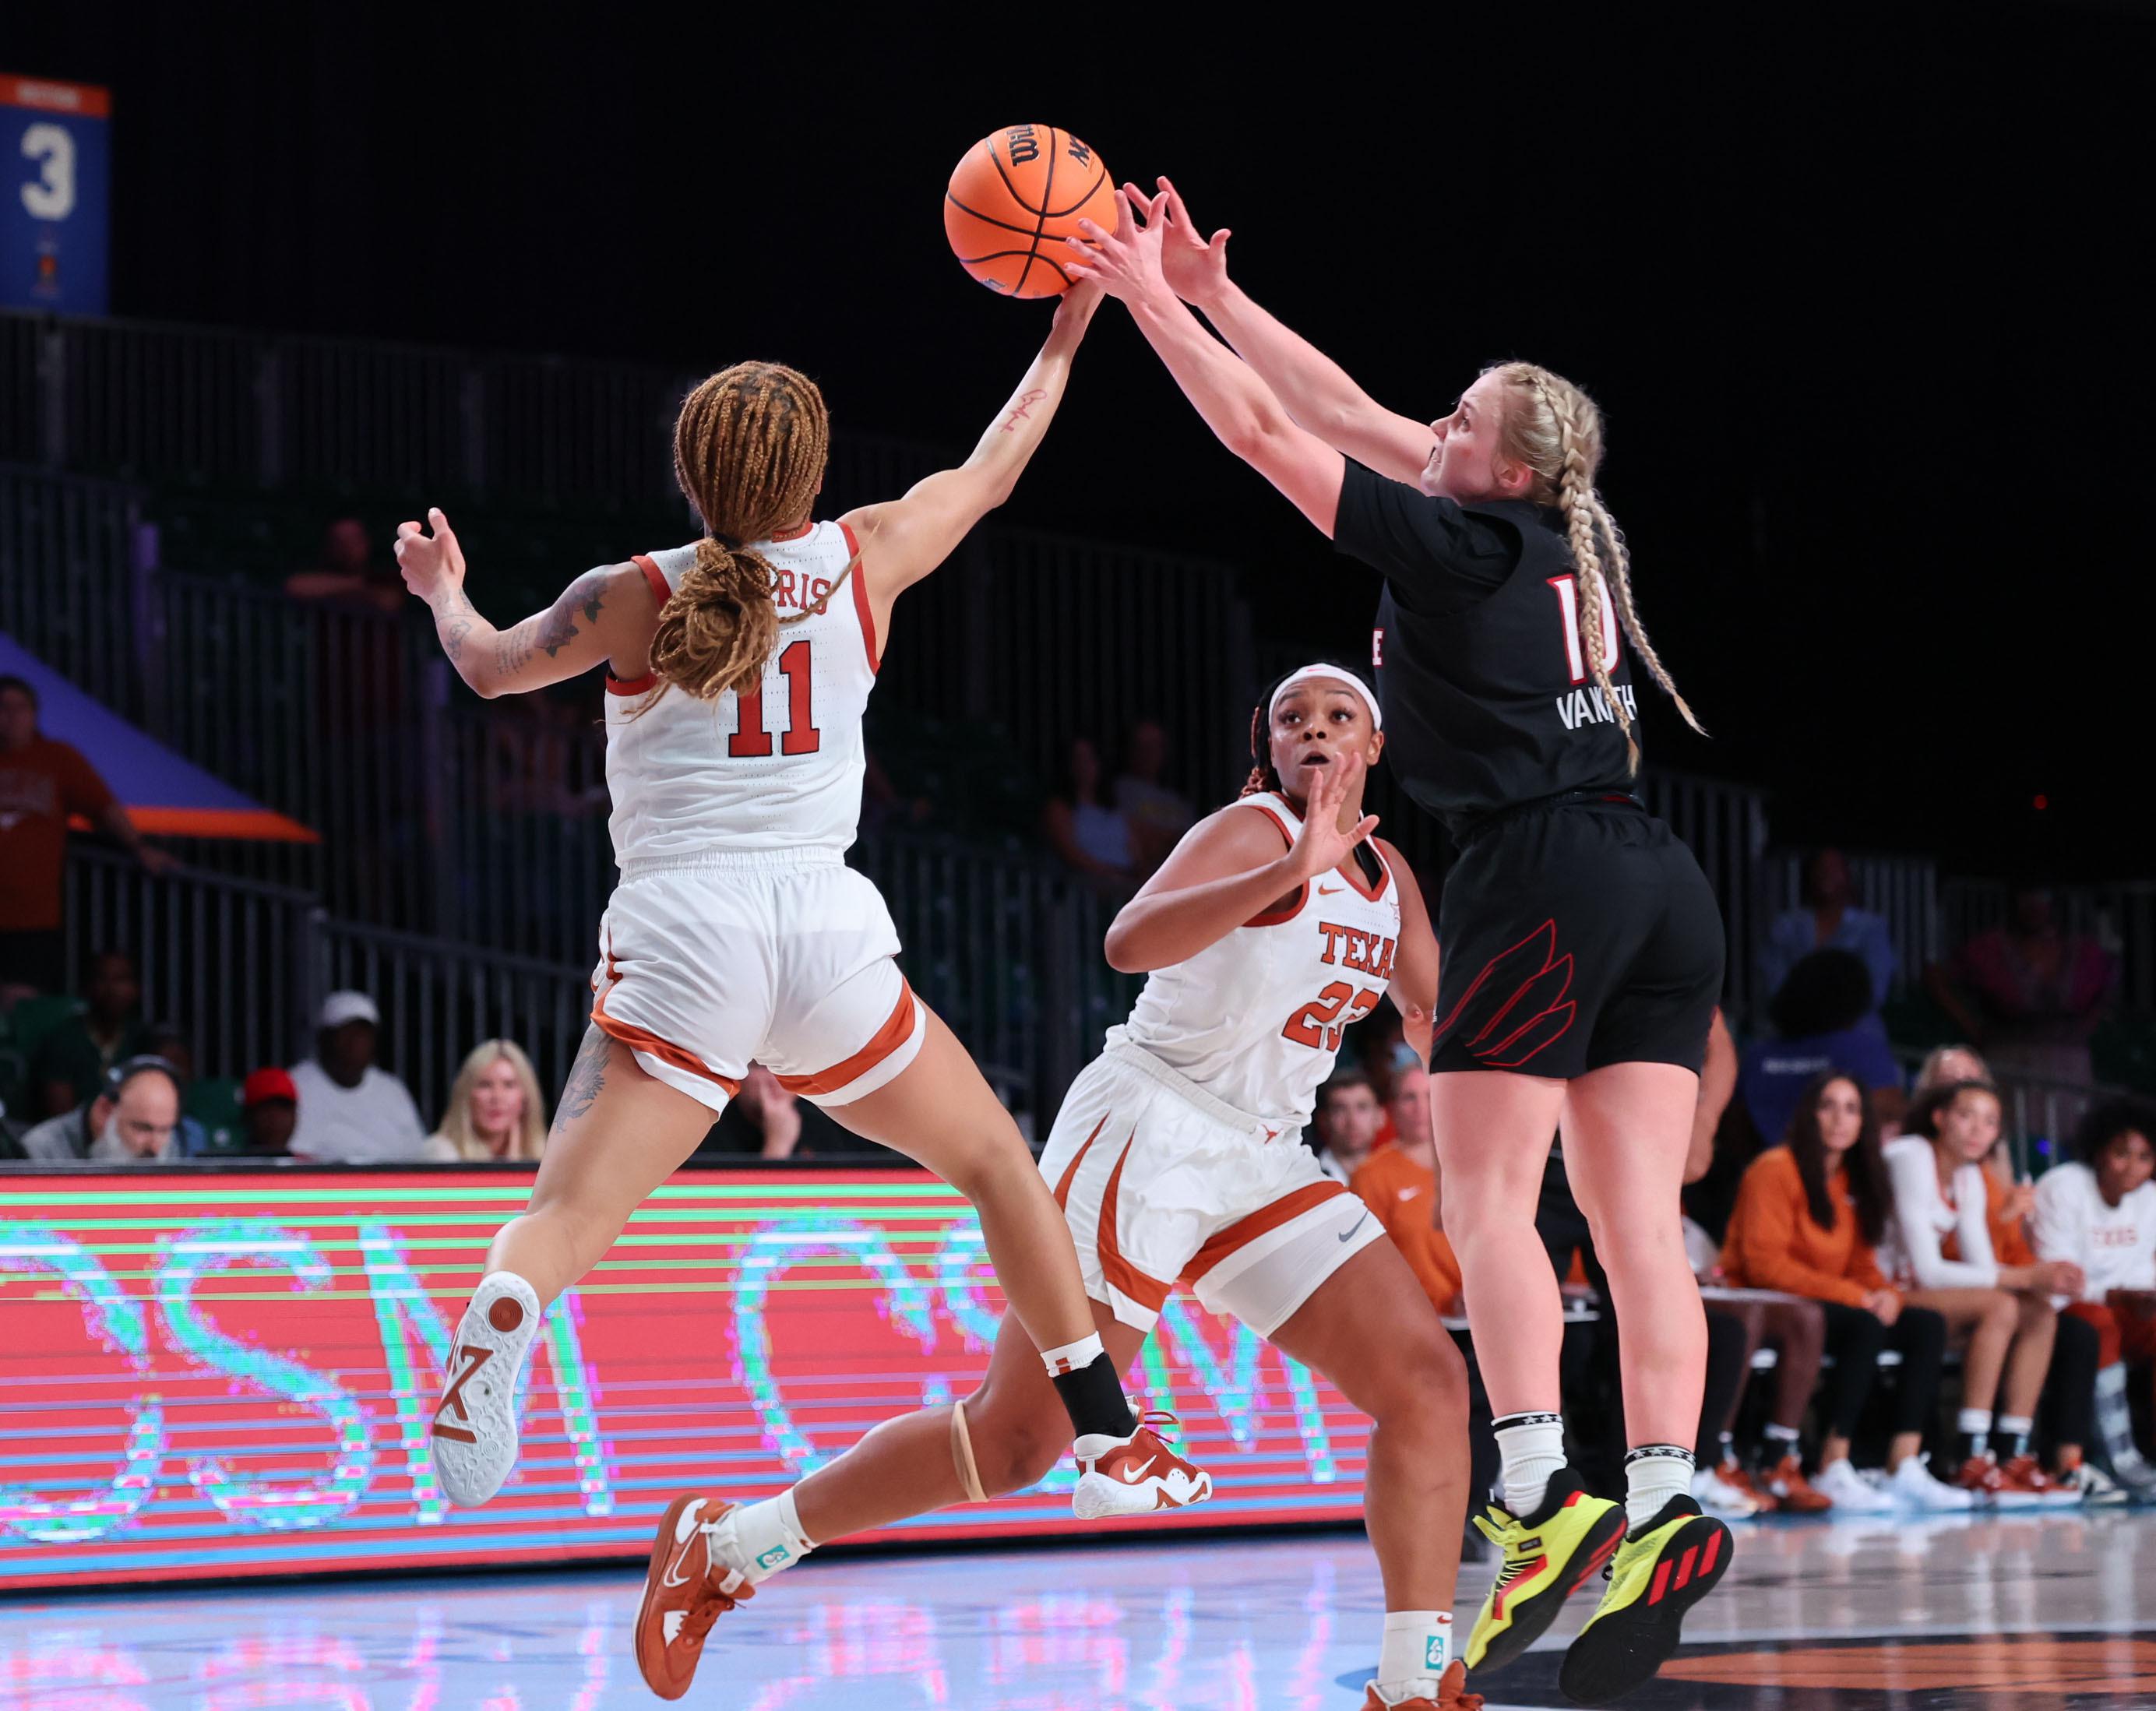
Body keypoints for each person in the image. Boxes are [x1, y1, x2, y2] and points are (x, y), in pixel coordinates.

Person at [393, 296, 1212, 1702]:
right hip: (824, 929)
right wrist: (1074, 323)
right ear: (811, 471)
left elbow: (480, 667)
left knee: (568, 1211)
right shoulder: (864, 553)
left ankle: (508, 1307)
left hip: (685, 928)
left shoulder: (629, 592)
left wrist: (437, 588)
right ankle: (1099, 1424)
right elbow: (997, 461)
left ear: (690, 474)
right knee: (993, 1163)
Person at [1073, 179, 1730, 1702]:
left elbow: (1261, 436)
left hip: (1538, 867)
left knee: (1491, 1201)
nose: (1430, 420)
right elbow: (1352, 405)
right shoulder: (1547, 538)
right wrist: (1218, 292)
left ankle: (1533, 1488)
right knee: (1632, 1225)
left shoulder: (1459, 546)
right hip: (1657, 871)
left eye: (1459, 415)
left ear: (1498, 466)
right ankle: (1664, 1496)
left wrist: (1138, 297)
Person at [649, 665, 1474, 1710]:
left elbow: (1432, 1013)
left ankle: (1410, 1684)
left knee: (1428, 1385)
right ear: (1268, 746)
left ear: (1375, 746)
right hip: (1149, 1125)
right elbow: (1127, 938)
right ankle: (728, 1545)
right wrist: (1285, 871)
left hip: (1265, 1158)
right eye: (1293, 718)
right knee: (1017, 1439)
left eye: (1338, 717)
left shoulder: (1388, 872)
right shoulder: (1253, 831)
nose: (1315, 730)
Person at [1719, 1073, 1968, 1510]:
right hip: (1773, 1304)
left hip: (1828, 1303)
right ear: (1808, 1114)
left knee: (1925, 1325)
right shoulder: (1775, 1169)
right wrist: (1854, 1296)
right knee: (1865, 1326)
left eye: (1852, 1108)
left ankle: (1904, 1464)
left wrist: (1885, 1292)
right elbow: (1765, 1265)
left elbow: (1859, 1264)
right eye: (1828, 1106)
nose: (1840, 1119)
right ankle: (1833, 1464)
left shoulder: (1852, 1179)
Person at [1884, 1080, 2083, 1502]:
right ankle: (1970, 1454)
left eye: (1990, 1122)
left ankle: (2013, 1453)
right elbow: (1929, 1270)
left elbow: (1979, 1266)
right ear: (1939, 1118)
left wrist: (2040, 1279)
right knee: (2001, 1304)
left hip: (1922, 1294)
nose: (1978, 1129)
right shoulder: (1910, 1156)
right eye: (1966, 1116)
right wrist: (2026, 1276)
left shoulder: (1970, 1175)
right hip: (1877, 1288)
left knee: (2039, 1311)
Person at [0, 676, 173, 1002]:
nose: (10, 717)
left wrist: (139, 846)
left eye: (19, 708)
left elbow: (103, 807)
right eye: (3, 708)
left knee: (21, 1008)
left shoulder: (57, 758)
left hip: (31, 916)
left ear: (34, 714)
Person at [2034, 1098, 2156, 1496]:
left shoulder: (2151, 1197)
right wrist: (2116, 1295)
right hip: (2060, 1309)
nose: (2132, 1167)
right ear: (2098, 1149)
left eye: (2144, 1157)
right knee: (2099, 1322)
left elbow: (2143, 1271)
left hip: (2121, 1305)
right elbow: (2058, 1277)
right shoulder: (2065, 1186)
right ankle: (2119, 1458)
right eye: (2121, 1153)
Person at [1928, 885, 2118, 1087]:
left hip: (2068, 1064)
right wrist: (1973, 1028)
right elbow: (1936, 976)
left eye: (2042, 895)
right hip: (2006, 1059)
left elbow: (2109, 985)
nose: (2033, 906)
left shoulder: (2081, 951)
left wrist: (2087, 1026)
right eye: (2026, 896)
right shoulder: (1989, 949)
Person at [1738, 949, 1907, 1143]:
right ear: (1855, 999)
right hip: (1837, 1170)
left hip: (1765, 1166)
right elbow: (1890, 1120)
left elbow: (1736, 1132)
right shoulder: (1863, 1050)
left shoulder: (1757, 1056)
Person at [1351, 1061, 1464, 1317]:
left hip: (1481, 1316)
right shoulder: (1371, 1175)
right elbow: (1370, 1265)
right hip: (1416, 1321)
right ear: (1392, 1108)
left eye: (1430, 1096)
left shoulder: (1472, 1166)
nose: (1421, 1108)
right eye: (1409, 1098)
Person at [1758, 849, 1896, 1031]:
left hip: (1853, 1029)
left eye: (1835, 869)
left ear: (1847, 876)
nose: (1827, 874)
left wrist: (1835, 1019)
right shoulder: (1786, 926)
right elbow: (1773, 982)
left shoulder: (1871, 928)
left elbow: (1876, 989)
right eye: (1821, 868)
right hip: (1794, 1028)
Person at [287, 991, 428, 1164]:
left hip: (391, 1186)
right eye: (347, 1033)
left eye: (364, 1034)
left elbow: (419, 1155)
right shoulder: (294, 1085)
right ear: (324, 1038)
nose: (356, 1042)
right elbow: (293, 1158)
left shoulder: (392, 1089)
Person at [29, 950, 150, 1117]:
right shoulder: (64, 1040)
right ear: (87, 987)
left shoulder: (143, 1038)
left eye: (121, 979)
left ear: (137, 989)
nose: (112, 989)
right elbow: (62, 1118)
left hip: (132, 1135)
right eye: (102, 978)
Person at [18, 1056, 182, 1164]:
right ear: (104, 1110)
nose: (155, 1147)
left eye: (164, 1130)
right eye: (142, 1128)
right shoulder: (44, 1149)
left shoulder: (169, 1145)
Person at [1041, 736, 1140, 897]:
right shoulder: (1059, 807)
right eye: (1078, 758)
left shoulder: (1116, 810)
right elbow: (1070, 853)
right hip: (1084, 893)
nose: (1084, 766)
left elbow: (1136, 853)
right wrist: (1109, 874)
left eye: (1089, 758)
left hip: (1125, 891)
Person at [424, 1040, 549, 1163]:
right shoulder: (440, 1154)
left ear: (526, 1098)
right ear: (466, 1096)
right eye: (485, 1085)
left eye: (509, 1085)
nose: (497, 1097)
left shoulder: (545, 1156)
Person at [699, 1063, 851, 1160]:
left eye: (783, 1069)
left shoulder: (819, 1123)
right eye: (761, 1068)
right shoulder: (710, 1123)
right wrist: (778, 1144)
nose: (774, 1080)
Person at [1112, 716, 1196, 871]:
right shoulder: (1120, 790)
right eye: (1141, 746)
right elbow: (1134, 838)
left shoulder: (1178, 800)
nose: (1148, 754)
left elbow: (1195, 845)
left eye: (1155, 746)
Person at [284, 517, 403, 616]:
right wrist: (358, 586)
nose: (347, 548)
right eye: (340, 542)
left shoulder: (385, 574)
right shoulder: (317, 571)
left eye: (354, 541)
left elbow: (391, 601)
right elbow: (295, 586)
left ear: (367, 543)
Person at [1313, 1066, 1386, 1183]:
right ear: (1323, 1120)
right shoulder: (1306, 1180)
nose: (1352, 1121)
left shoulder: (1397, 1177)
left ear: (1380, 1117)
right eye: (1340, 1109)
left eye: (1362, 1107)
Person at [239, 1068, 300, 1157]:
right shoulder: (230, 1167)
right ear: (248, 1115)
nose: (276, 1118)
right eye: (266, 1109)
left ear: (295, 1114)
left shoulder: (309, 1167)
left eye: (284, 1107)